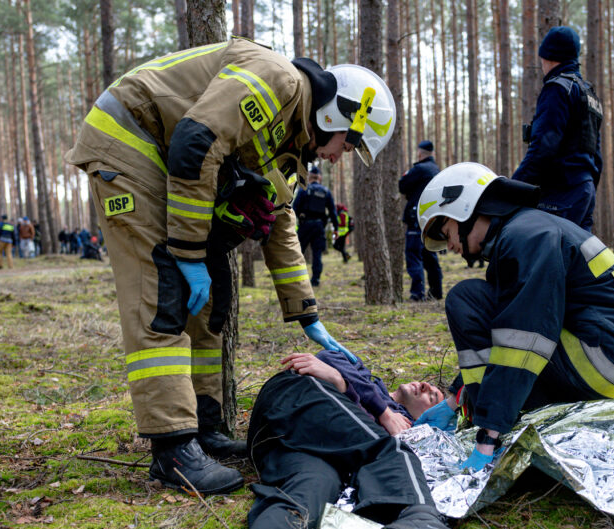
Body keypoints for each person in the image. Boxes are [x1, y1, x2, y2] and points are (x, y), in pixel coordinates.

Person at [66, 38, 397, 497]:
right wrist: (186, 252)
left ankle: (203, 425)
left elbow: (280, 221)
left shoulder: (291, 141)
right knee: (161, 290)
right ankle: (173, 449)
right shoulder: (275, 79)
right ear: (335, 116)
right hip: (128, 142)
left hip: (168, 161)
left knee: (212, 300)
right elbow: (194, 142)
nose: (338, 157)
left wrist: (307, 313)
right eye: (349, 142)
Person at [176, 350, 520, 529]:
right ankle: (420, 520)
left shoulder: (400, 424)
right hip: (297, 395)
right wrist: (356, 392)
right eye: (431, 389)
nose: (428, 388)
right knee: (387, 449)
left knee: (309, 488)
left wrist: (407, 418)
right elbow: (318, 361)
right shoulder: (369, 387)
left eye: (432, 398)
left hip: (278, 441)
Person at [418, 162, 614, 472]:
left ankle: (489, 416)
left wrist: (488, 438)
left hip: (597, 359)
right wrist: (453, 399)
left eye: (447, 233)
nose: (450, 246)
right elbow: (507, 327)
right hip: (604, 358)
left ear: (464, 209)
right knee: (487, 313)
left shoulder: (526, 238)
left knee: (466, 299)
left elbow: (524, 338)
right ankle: (477, 407)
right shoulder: (526, 231)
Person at [512, 26, 603, 232]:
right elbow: (596, 155)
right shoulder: (589, 94)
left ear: (548, 56)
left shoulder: (557, 89)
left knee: (551, 259)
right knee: (580, 259)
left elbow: (543, 147)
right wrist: (587, 187)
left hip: (560, 192)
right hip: (584, 191)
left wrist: (513, 187)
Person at [398, 140, 443, 301]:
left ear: (419, 153)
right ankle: (436, 291)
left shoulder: (419, 169)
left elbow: (402, 185)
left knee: (413, 254)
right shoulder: (436, 170)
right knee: (430, 255)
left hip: (416, 217)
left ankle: (417, 293)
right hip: (432, 218)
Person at [292, 165, 337, 286]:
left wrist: (297, 218)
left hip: (305, 225)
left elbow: (294, 207)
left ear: (309, 177)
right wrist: (336, 228)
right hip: (319, 226)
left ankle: (296, 278)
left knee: (298, 252)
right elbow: (332, 212)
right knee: (317, 254)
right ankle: (315, 279)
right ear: (319, 178)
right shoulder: (326, 192)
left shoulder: (304, 189)